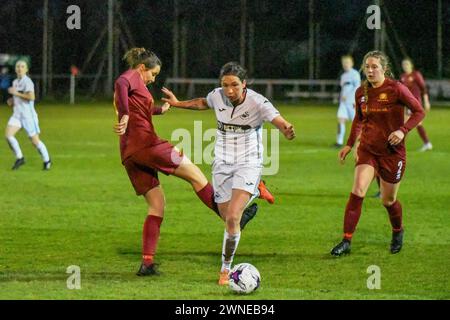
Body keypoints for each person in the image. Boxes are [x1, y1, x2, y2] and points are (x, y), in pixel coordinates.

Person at [113, 49, 266, 276]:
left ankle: (147, 263)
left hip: (129, 153)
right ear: (143, 68)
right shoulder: (130, 77)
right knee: (196, 176)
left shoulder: (138, 85)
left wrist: (159, 110)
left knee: (157, 204)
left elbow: (139, 110)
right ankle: (234, 218)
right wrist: (124, 115)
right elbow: (121, 86)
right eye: (153, 74)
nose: (153, 79)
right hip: (149, 145)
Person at [161, 62, 296, 285]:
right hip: (222, 163)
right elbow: (203, 102)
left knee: (234, 216)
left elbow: (278, 120)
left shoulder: (258, 102)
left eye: (235, 85)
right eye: (225, 85)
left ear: (244, 84)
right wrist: (178, 103)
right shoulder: (218, 96)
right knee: (227, 217)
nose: (230, 90)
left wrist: (286, 129)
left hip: (248, 162)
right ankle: (257, 190)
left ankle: (225, 269)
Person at [330, 51, 425, 256]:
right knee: (358, 191)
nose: (370, 70)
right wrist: (349, 144)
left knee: (388, 201)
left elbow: (419, 112)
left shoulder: (396, 88)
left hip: (392, 153)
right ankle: (346, 241)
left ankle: (398, 231)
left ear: (384, 68)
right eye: (367, 67)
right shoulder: (361, 92)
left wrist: (402, 130)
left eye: (374, 67)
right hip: (368, 150)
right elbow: (358, 119)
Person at [5, 60, 51, 170]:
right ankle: (20, 158)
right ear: (15, 69)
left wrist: (15, 93)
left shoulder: (27, 82)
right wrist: (12, 101)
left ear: (26, 70)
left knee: (35, 142)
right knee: (8, 135)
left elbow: (31, 97)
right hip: (17, 115)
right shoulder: (15, 82)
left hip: (28, 117)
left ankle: (47, 160)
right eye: (18, 66)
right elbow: (19, 98)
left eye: (22, 66)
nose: (20, 68)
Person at [400, 57, 432, 152]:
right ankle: (427, 143)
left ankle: (399, 145)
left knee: (406, 124)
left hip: (415, 103)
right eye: (403, 64)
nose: (405, 66)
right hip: (406, 103)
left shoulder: (416, 75)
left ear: (411, 65)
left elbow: (423, 88)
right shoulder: (402, 76)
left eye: (407, 64)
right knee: (410, 123)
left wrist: (426, 101)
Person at [334, 55, 361, 148]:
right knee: (340, 119)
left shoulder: (355, 74)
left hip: (352, 102)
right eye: (344, 63)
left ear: (352, 63)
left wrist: (349, 97)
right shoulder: (343, 76)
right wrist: (340, 97)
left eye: (347, 62)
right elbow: (343, 89)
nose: (345, 64)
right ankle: (339, 142)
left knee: (356, 123)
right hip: (343, 103)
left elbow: (357, 88)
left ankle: (360, 141)